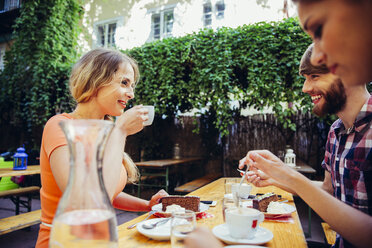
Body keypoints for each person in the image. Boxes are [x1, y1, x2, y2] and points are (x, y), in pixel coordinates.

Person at [185, 43, 371, 247]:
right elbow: (328, 190)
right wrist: (274, 178)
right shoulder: (336, 131)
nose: (305, 88)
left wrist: (287, 174)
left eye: (314, 76)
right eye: (305, 79)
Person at [35, 48, 168, 247]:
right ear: (95, 81)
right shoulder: (60, 126)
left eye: (132, 86)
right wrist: (120, 130)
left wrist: (148, 205)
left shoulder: (106, 132)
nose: (131, 94)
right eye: (124, 83)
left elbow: (107, 192)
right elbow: (86, 199)